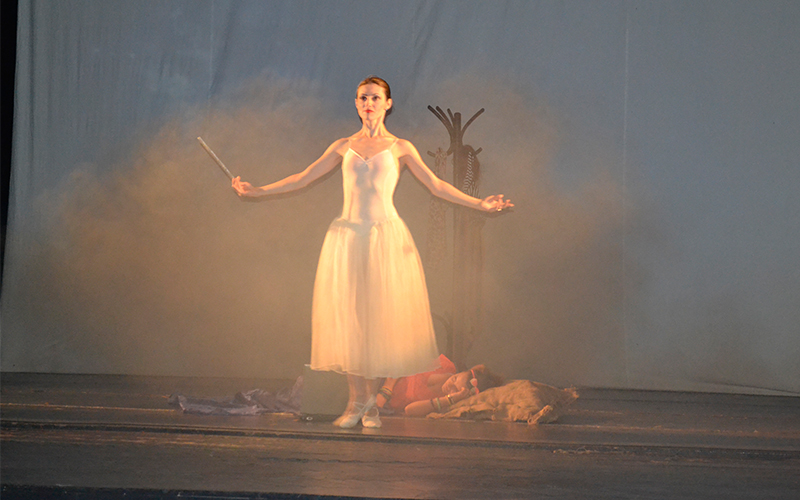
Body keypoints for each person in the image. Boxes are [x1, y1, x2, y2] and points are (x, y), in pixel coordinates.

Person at [232, 76, 513, 428]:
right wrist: (258, 191)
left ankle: (370, 404)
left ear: (388, 103)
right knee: (352, 320)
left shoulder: (401, 148)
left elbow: (436, 185)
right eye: (363, 98)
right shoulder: (343, 146)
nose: (369, 103)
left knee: (380, 322)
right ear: (356, 103)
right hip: (348, 237)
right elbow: (303, 177)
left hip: (385, 237)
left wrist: (480, 204)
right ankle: (357, 403)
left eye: (376, 98)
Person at [372, 354, 505, 419]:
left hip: (383, 407)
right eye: (454, 379)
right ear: (459, 372)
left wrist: (450, 398)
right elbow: (405, 360)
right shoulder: (444, 366)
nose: (449, 386)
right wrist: (387, 387)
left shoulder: (446, 402)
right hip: (384, 376)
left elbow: (409, 410)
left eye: (455, 390)